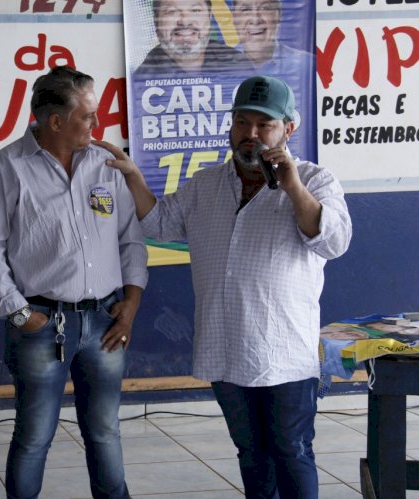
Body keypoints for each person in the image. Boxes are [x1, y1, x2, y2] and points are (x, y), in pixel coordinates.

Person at [98, 75, 352, 498]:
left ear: (288, 129)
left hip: (285, 354)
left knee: (291, 450)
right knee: (250, 453)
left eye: (264, 125)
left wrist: (291, 187)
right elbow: (159, 222)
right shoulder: (207, 183)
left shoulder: (315, 180)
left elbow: (334, 240)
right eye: (242, 122)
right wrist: (132, 177)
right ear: (230, 125)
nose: (251, 134)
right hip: (225, 349)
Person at [0, 66, 148, 499]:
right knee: (34, 435)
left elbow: (131, 238)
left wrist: (132, 302)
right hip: (41, 324)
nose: (97, 124)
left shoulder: (107, 165)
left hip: (105, 320)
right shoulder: (6, 168)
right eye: (88, 115)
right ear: (55, 121)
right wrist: (19, 312)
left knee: (105, 432)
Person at [230, 0, 316, 159]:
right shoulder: (218, 65)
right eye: (245, 9)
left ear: (279, 14)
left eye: (265, 8)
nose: (255, 19)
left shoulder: (307, 66)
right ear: (234, 16)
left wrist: (292, 184)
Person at [134, 0, 251, 77]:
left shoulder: (239, 65)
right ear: (156, 21)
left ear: (209, 17)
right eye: (172, 12)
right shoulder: (140, 80)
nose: (185, 21)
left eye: (195, 10)